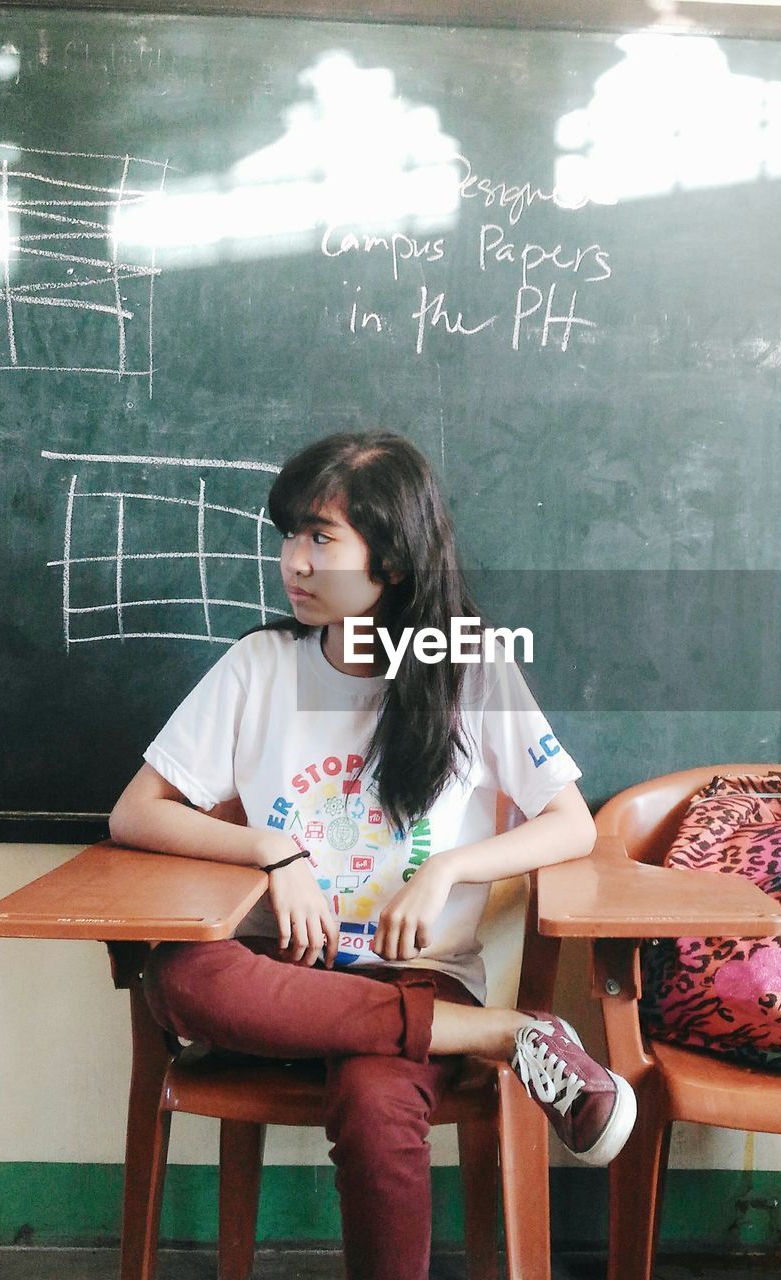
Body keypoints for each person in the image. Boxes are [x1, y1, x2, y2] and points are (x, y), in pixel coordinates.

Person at [109, 430, 635, 1280]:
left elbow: (571, 823)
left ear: (391, 558)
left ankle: (475, 1028)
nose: (294, 562)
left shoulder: (468, 668)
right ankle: (507, 1035)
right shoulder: (259, 665)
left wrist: (448, 869)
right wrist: (273, 852)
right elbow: (136, 811)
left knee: (374, 1091)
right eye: (288, 535)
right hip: (281, 972)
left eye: (320, 538)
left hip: (413, 974)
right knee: (179, 976)